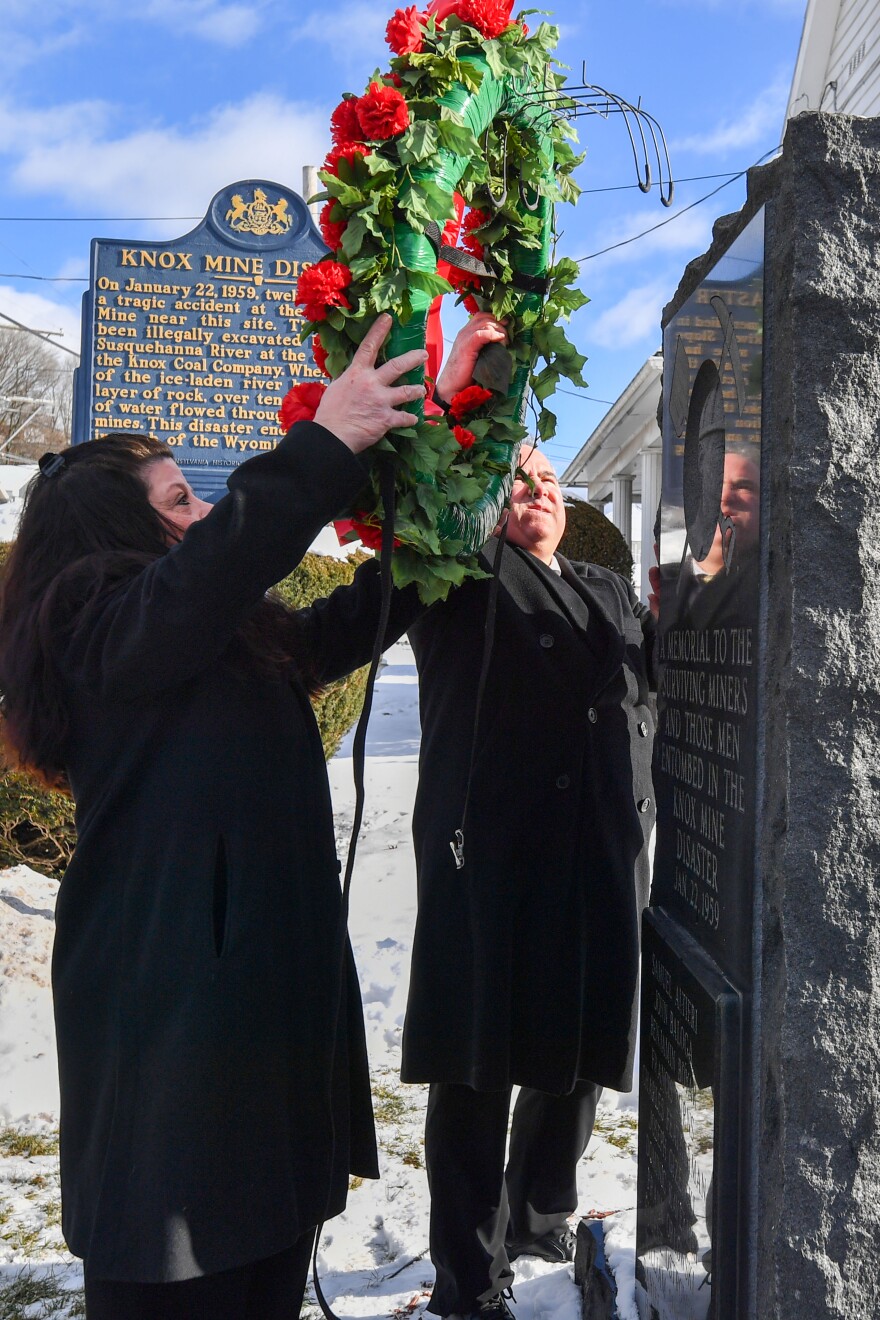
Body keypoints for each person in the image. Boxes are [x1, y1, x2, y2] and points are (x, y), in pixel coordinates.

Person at [0, 315, 428, 1320]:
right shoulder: (94, 619)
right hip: (175, 1017)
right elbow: (212, 572)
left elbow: (326, 635)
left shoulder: (204, 631)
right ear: (114, 533)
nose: (200, 515)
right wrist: (325, 446)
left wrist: (440, 543)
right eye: (179, 500)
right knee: (182, 1257)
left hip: (260, 1005)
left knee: (265, 1237)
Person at [403, 317, 658, 1320]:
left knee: (579, 1051)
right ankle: (470, 1277)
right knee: (480, 1072)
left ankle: (542, 1216)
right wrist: (483, 402)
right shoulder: (462, 581)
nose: (536, 491)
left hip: (600, 858)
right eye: (516, 482)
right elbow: (439, 505)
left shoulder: (603, 586)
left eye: (546, 478)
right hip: (495, 861)